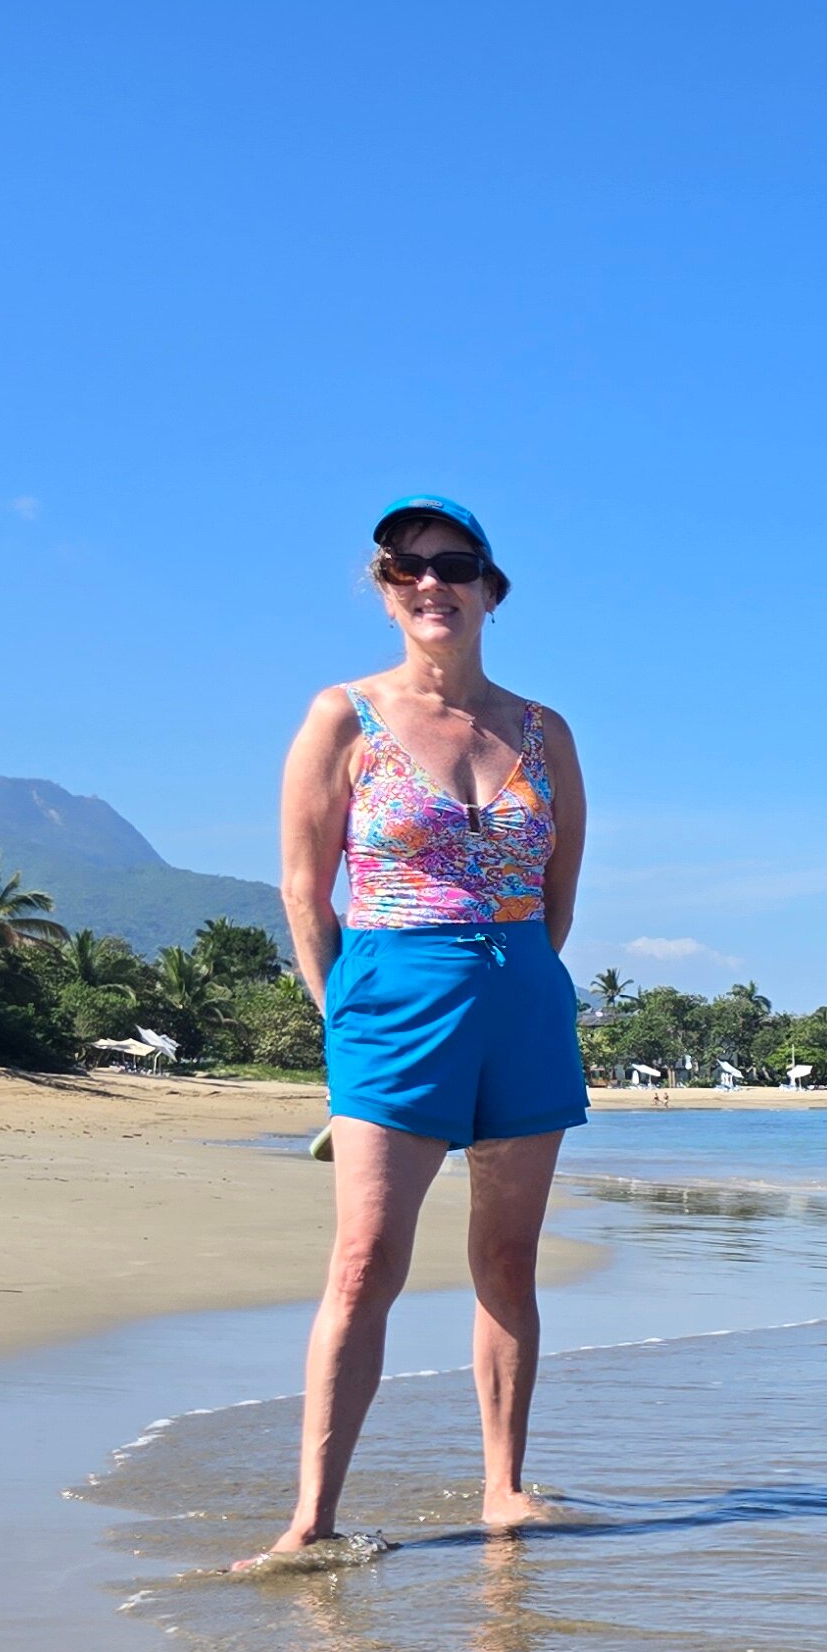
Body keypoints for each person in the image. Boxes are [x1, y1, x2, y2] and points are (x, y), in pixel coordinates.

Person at [238, 495, 590, 1569]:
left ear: (492, 588)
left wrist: (516, 977)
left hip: (523, 991)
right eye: (404, 567)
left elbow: (558, 889)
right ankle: (312, 1520)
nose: (428, 581)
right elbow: (306, 890)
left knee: (508, 1260)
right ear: (384, 591)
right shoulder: (340, 718)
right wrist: (345, 1015)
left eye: (452, 563)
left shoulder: (544, 731)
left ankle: (504, 1490)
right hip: (393, 990)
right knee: (364, 1262)